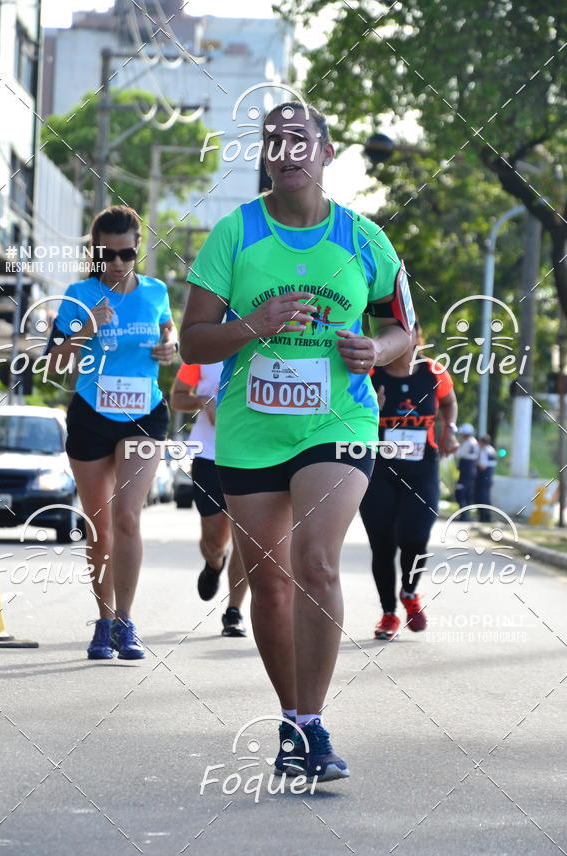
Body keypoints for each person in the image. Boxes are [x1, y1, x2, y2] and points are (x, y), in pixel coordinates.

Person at [180, 101, 411, 781]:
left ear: (326, 151)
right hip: (251, 432)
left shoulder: (365, 238)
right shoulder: (234, 234)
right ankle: (290, 718)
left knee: (315, 562)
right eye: (272, 142)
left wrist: (377, 345)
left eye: (298, 140)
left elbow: (405, 336)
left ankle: (313, 724)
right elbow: (194, 339)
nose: (285, 152)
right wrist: (254, 323)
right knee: (271, 585)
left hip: (336, 422)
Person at [47, 205, 178, 660]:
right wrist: (86, 326)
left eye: (126, 254)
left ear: (138, 248)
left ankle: (127, 622)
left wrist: (169, 348)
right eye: (108, 255)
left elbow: (169, 337)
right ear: (96, 252)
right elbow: (56, 363)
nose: (118, 264)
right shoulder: (78, 293)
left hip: (144, 412)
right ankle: (103, 623)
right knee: (99, 527)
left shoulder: (157, 291)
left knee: (126, 516)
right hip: (91, 414)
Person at [360, 323, 459, 641]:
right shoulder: (371, 376)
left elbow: (448, 403)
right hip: (379, 470)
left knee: (415, 537)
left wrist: (450, 428)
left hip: (422, 468)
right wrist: (373, 405)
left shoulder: (434, 372)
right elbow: (349, 416)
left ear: (417, 335)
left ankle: (410, 592)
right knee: (383, 544)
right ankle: (389, 613)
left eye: (407, 331)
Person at [170, 362, 247, 636]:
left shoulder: (264, 343)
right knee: (214, 540)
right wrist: (203, 401)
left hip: (253, 452)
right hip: (208, 455)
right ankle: (214, 563)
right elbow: (177, 397)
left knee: (246, 538)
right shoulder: (204, 351)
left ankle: (234, 611)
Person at [454, 423, 479, 520]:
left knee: (460, 492)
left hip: (466, 471)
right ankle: (465, 515)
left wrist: (458, 444)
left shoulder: (468, 443)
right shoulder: (474, 442)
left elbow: (458, 454)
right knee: (466, 493)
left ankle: (464, 516)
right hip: (470, 470)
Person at [475, 434, 497, 520]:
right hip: (489, 477)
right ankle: (487, 517)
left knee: (481, 497)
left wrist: (475, 463)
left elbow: (483, 466)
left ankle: (483, 517)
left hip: (483, 477)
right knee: (486, 497)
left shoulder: (484, 451)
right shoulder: (492, 450)